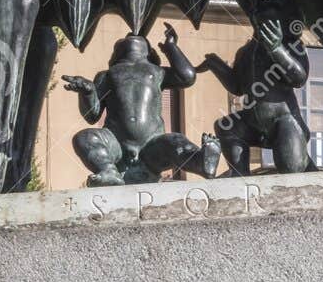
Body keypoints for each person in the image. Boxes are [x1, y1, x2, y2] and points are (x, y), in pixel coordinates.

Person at [63, 25, 221, 186]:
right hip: (116, 146)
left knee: (176, 141)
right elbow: (92, 115)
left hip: (152, 146)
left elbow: (187, 77)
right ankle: (108, 170)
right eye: (125, 38)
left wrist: (171, 47)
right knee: (84, 138)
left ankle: (199, 162)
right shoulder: (106, 75)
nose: (131, 36)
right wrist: (88, 92)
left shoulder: (158, 72)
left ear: (148, 51)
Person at [198, 0, 313, 175]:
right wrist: (215, 64)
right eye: (260, 24)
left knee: (291, 170)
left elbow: (299, 78)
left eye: (270, 25)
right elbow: (237, 86)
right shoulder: (246, 52)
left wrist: (277, 50)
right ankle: (240, 175)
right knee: (226, 126)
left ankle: (303, 162)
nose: (263, 29)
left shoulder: (292, 46)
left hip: (284, 121)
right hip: (253, 123)